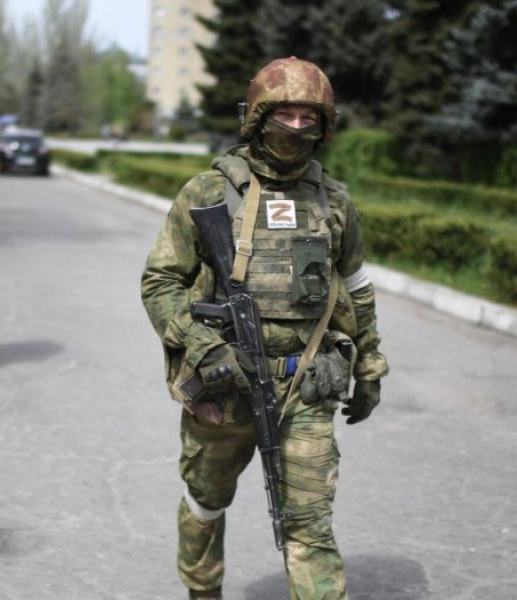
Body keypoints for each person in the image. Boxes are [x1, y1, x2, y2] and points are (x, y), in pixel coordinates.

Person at [140, 57, 390, 599]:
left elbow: (356, 286)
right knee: (206, 502)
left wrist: (370, 363)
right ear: (257, 117)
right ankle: (203, 590)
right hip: (224, 385)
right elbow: (161, 282)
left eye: (308, 118)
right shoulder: (208, 192)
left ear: (324, 125)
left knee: (309, 527)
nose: (296, 127)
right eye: (285, 115)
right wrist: (205, 349)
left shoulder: (332, 200)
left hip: (306, 386)